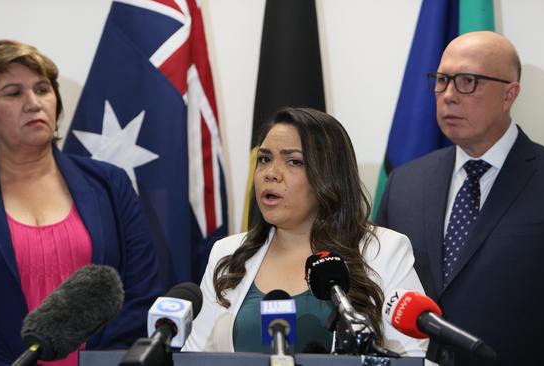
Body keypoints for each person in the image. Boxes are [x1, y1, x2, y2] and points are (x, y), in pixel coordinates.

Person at [0, 40, 162, 365]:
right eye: (13, 93)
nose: (33, 103)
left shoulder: (110, 184)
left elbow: (141, 293)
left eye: (42, 89)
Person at [375, 31, 544, 366]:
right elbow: (377, 286)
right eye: (442, 80)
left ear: (509, 94)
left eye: (467, 82)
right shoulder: (405, 182)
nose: (448, 95)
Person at [183, 107, 427, 356]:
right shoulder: (227, 253)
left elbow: (412, 356)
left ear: (329, 175)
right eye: (265, 159)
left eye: (294, 161)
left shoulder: (384, 250)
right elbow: (194, 356)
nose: (271, 174)